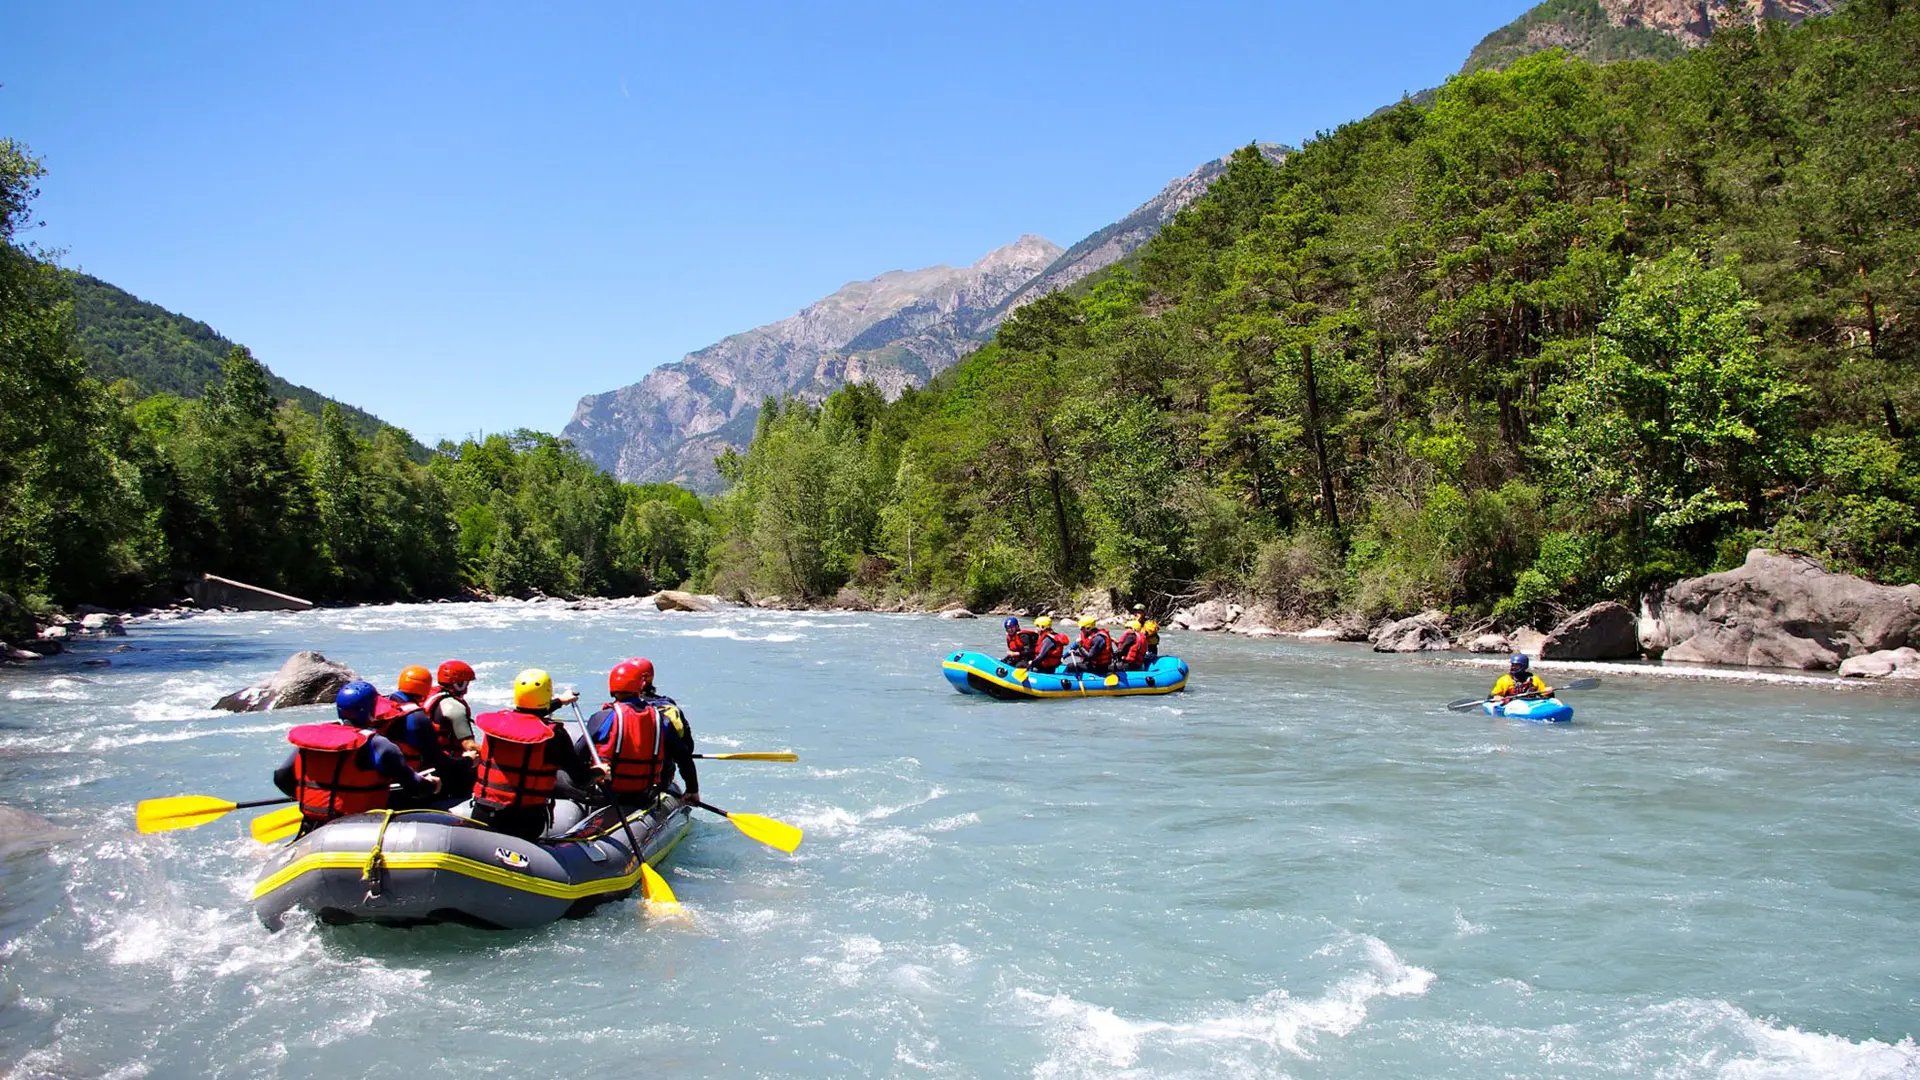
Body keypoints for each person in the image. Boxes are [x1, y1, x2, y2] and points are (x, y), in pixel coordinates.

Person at [272, 680, 439, 835]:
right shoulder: (379, 745)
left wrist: (314, 798)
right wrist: (432, 785)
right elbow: (415, 787)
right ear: (372, 709)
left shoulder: (312, 741)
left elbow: (281, 777)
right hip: (362, 830)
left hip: (314, 828)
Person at [469, 669, 605, 841]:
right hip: (523, 821)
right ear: (546, 696)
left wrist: (560, 701)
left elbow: (526, 716)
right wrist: (599, 772)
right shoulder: (554, 736)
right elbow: (581, 779)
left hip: (483, 813)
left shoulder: (498, 725)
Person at [576, 657, 699, 810]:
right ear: (639, 686)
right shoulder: (661, 719)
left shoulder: (602, 717)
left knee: (562, 776)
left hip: (608, 791)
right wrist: (692, 790)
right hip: (646, 793)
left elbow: (576, 755)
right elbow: (684, 756)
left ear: (612, 688)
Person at [375, 665, 460, 808]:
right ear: (426, 688)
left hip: (380, 781)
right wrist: (466, 762)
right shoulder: (417, 717)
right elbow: (437, 759)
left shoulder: (382, 704)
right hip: (407, 786)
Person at [423, 659, 481, 794]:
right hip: (450, 765)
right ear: (459, 683)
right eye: (467, 683)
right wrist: (493, 752)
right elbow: (469, 745)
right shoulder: (455, 708)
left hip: (429, 761)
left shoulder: (428, 696)